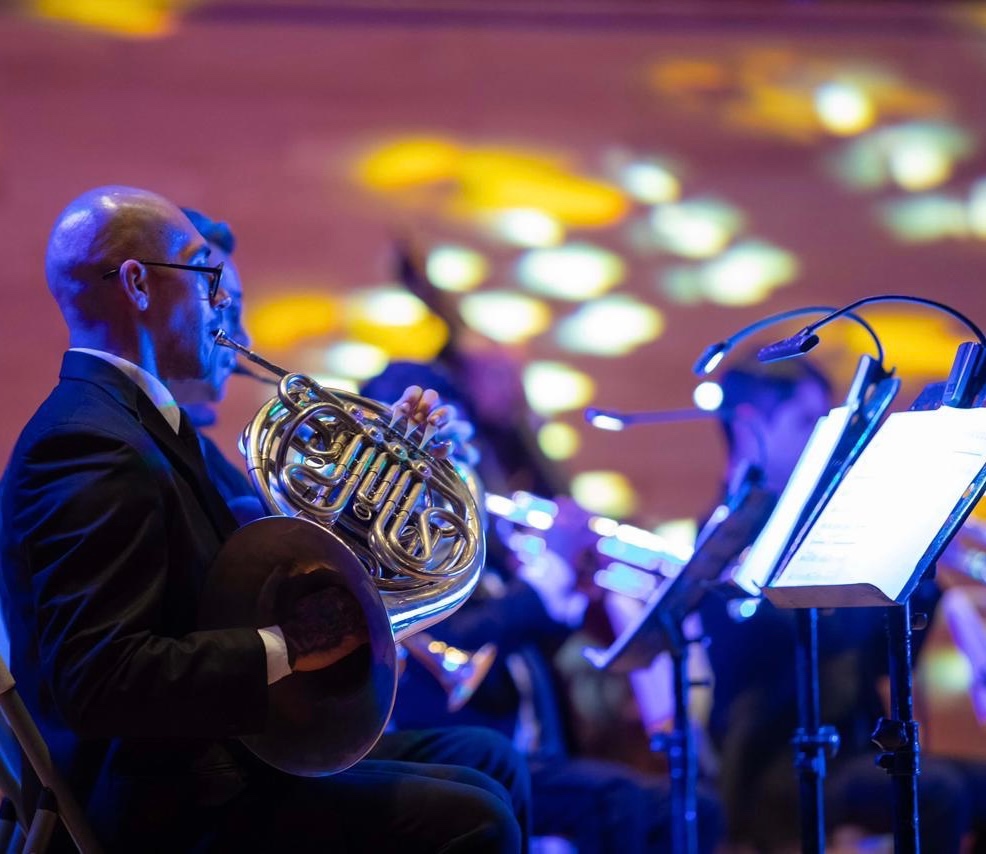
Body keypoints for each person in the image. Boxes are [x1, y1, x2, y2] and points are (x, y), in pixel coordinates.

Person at [0, 185, 527, 852]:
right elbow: (100, 680)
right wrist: (291, 645)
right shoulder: (86, 442)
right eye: (206, 276)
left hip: (207, 762)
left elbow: (243, 579)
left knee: (486, 769)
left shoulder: (141, 425)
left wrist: (390, 471)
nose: (221, 303)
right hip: (159, 806)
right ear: (136, 284)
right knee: (476, 816)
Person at [169, 205, 532, 845]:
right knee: (483, 799)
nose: (240, 334)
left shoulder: (195, 452)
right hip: (225, 750)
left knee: (491, 760)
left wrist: (397, 463)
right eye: (223, 306)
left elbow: (303, 557)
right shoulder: (157, 454)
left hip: (269, 717)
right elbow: (265, 584)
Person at [362, 359, 724, 854]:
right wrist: (551, 570)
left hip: (531, 753)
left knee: (682, 805)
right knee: (675, 812)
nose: (456, 462)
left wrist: (573, 593)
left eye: (460, 443)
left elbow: (516, 642)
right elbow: (456, 640)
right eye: (435, 443)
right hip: (467, 761)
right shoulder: (390, 548)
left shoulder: (479, 542)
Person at [697, 355, 986, 853]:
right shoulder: (727, 541)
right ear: (748, 427)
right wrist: (887, 547)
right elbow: (824, 636)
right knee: (939, 793)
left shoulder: (810, 526)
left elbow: (882, 663)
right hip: (774, 766)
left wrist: (919, 567)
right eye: (805, 421)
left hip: (849, 748)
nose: (822, 440)